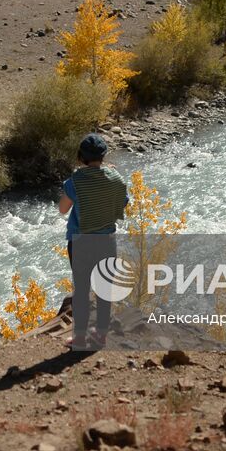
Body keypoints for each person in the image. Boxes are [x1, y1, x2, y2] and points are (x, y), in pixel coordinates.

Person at [58, 133, 129, 350]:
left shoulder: (75, 182)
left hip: (80, 242)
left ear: (81, 157)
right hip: (107, 240)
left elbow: (63, 209)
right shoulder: (116, 179)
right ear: (104, 155)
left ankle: (79, 339)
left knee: (81, 290)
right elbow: (122, 204)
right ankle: (101, 336)